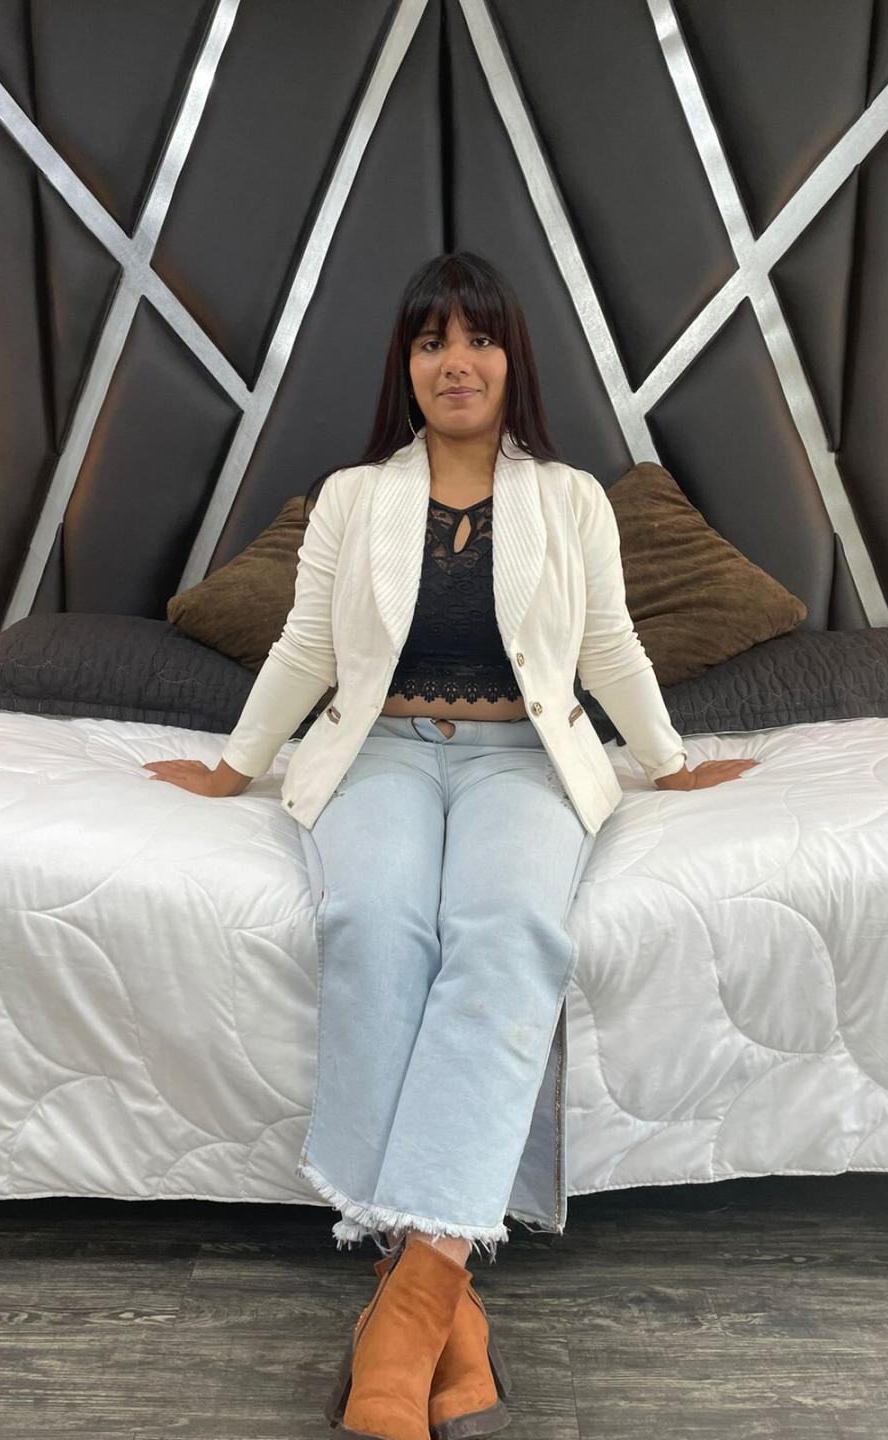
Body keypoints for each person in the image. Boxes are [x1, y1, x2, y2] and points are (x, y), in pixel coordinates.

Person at [144, 252, 758, 1440]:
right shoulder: (351, 497)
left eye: (479, 338)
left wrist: (671, 761)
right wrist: (234, 765)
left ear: (513, 360)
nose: (457, 361)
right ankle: (448, 1312)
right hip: (379, 749)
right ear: (408, 366)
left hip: (522, 757)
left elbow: (610, 647)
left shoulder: (570, 499)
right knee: (375, 923)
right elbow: (308, 649)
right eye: (433, 342)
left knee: (511, 929)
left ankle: (412, 1300)